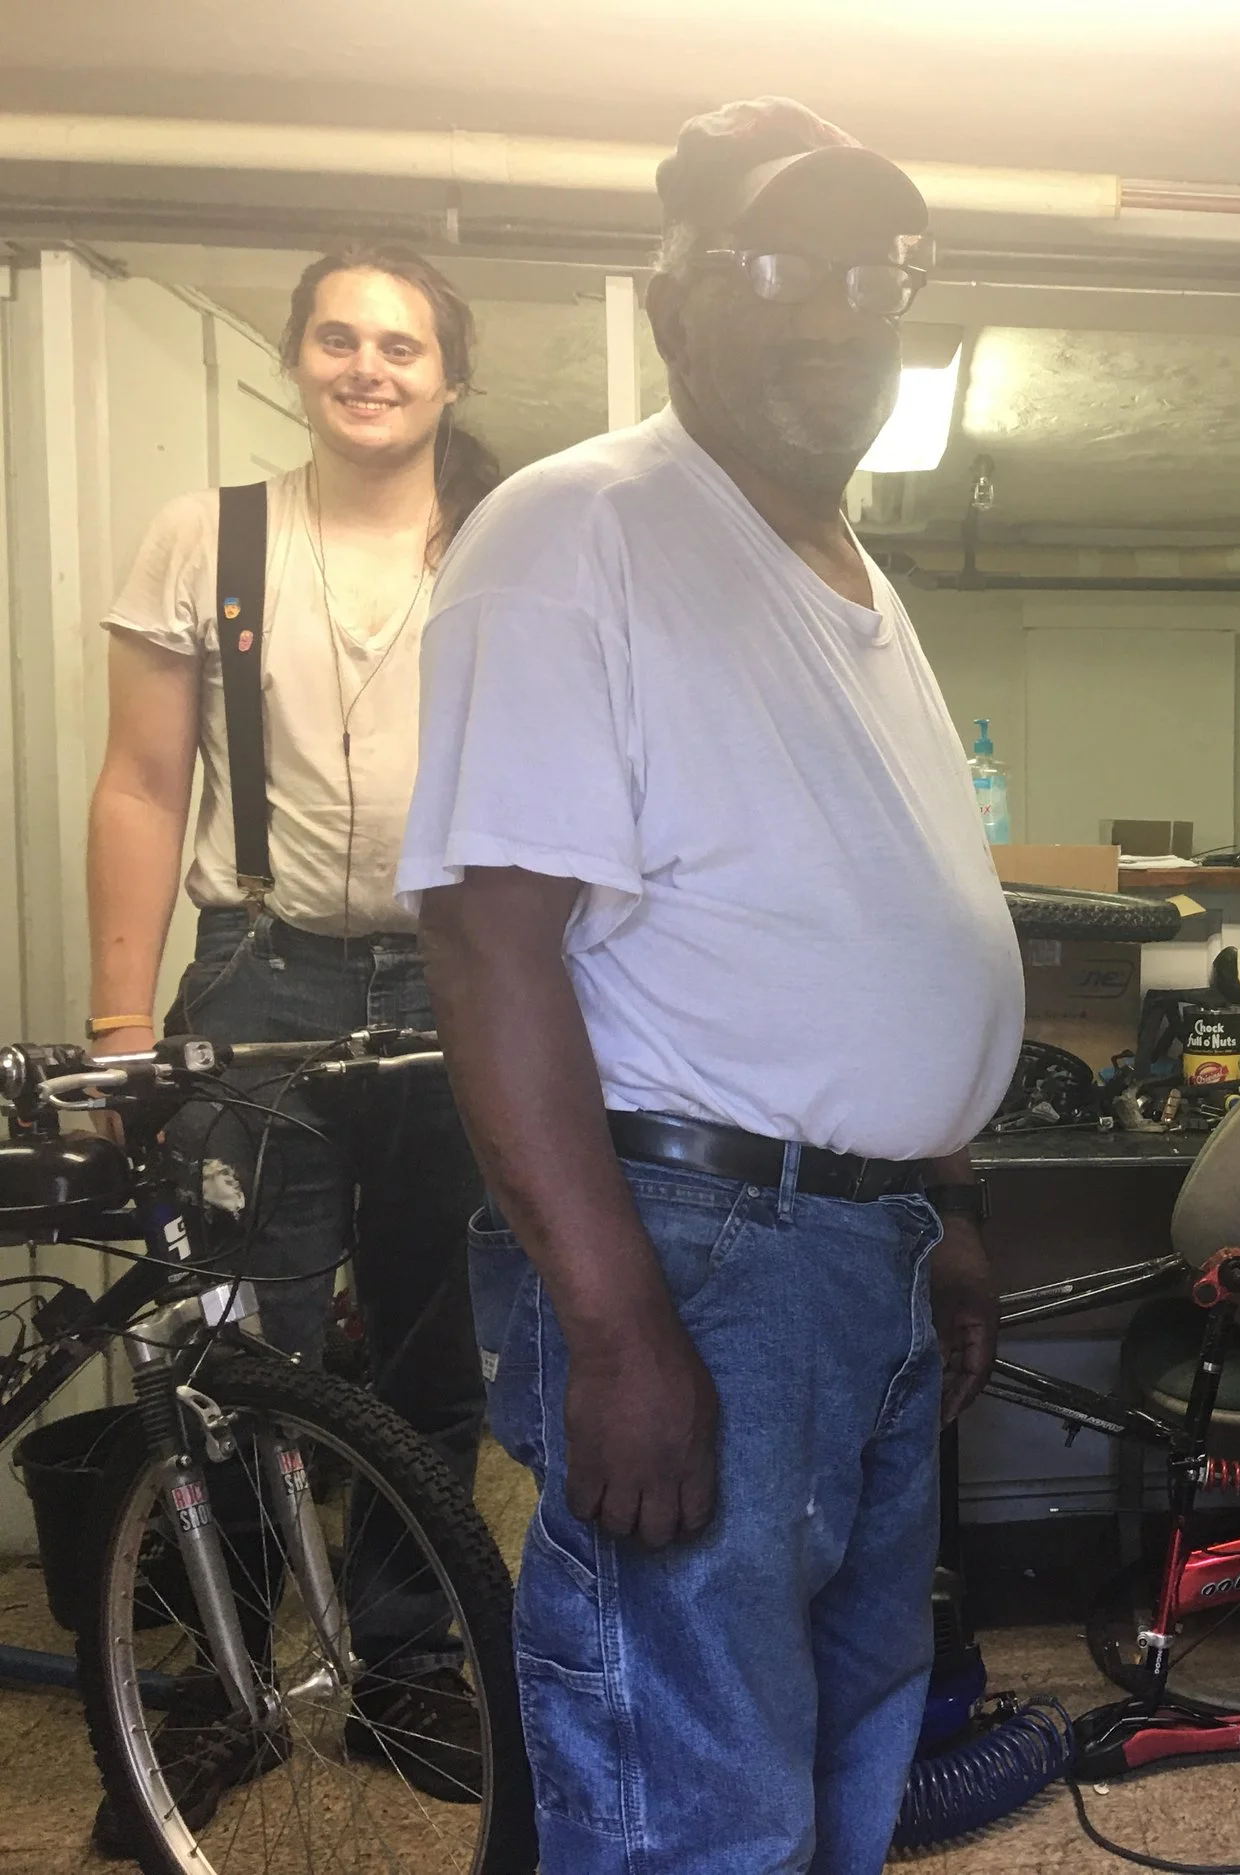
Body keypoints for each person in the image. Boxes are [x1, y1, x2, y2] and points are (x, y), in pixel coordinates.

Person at [397, 99, 1019, 1875]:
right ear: (670, 301)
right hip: (699, 1251)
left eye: (864, 273)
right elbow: (487, 940)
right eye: (770, 265)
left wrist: (940, 1198)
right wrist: (613, 1327)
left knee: (836, 1759)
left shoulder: (848, 568)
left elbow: (877, 904)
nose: (830, 311)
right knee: (687, 1800)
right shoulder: (576, 531)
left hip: (852, 1254)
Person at [84, 244, 502, 1839]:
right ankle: (218, 1686)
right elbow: (140, 780)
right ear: (300, 359)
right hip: (259, 977)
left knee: (427, 1350)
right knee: (234, 1353)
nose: (369, 364)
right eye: (339, 336)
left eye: (402, 342)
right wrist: (128, 1023)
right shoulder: (213, 534)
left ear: (448, 374)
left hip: (456, 980)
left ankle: (399, 1664)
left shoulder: (504, 540)